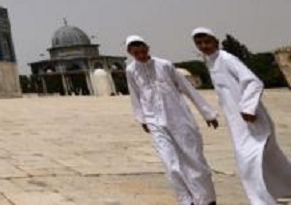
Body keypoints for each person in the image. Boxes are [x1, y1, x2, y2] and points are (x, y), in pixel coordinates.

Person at [192, 27, 291, 204]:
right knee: (271, 160)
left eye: (207, 41)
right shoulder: (211, 62)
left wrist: (248, 108)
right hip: (238, 123)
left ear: (216, 42)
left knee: (247, 163)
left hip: (251, 120)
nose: (204, 46)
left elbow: (253, 82)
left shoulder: (227, 59)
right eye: (199, 43)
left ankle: (260, 201)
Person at [125, 35, 219, 205]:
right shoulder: (131, 70)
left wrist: (207, 113)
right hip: (155, 121)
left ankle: (206, 199)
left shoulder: (164, 65)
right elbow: (135, 95)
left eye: (143, 51)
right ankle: (186, 200)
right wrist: (142, 119)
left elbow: (187, 88)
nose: (141, 56)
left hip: (179, 117)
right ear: (130, 53)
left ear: (148, 48)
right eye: (136, 53)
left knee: (193, 158)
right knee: (170, 162)